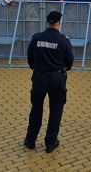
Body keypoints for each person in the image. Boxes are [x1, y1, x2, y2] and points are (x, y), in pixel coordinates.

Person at [24, 10, 74, 152]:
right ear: (59, 22)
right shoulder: (64, 40)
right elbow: (69, 62)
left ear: (47, 22)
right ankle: (50, 142)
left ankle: (30, 140)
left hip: (39, 77)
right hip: (57, 78)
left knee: (36, 108)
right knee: (56, 110)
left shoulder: (36, 38)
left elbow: (30, 59)